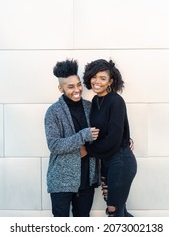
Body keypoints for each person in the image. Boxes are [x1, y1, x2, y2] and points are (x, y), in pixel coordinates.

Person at [44, 59, 100, 217]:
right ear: (61, 88)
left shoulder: (90, 107)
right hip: (61, 180)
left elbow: (104, 134)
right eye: (70, 86)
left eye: (78, 84)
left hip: (86, 180)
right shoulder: (53, 112)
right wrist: (83, 136)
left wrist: (126, 139)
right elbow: (54, 145)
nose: (77, 90)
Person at [83, 58, 137, 217]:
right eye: (94, 77)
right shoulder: (95, 100)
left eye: (103, 78)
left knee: (114, 210)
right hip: (106, 163)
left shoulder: (116, 101)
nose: (97, 81)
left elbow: (114, 138)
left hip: (120, 162)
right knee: (119, 211)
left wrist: (88, 150)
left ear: (110, 82)